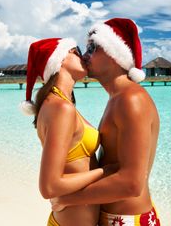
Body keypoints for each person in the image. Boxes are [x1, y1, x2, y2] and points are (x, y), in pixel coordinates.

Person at [51, 18, 161, 226]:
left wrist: (67, 199)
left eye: (93, 48)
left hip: (128, 220)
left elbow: (131, 183)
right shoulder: (118, 98)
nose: (85, 55)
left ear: (115, 55)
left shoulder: (131, 100)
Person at [19, 37, 111, 226]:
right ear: (60, 59)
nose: (83, 56)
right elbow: (49, 186)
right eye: (76, 51)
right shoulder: (60, 108)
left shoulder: (58, 104)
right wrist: (105, 172)